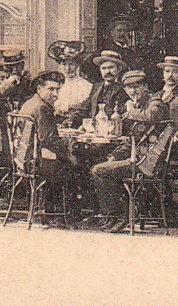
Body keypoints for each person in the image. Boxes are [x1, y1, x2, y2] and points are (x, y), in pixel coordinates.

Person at [89, 69, 168, 231]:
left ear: (146, 86)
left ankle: (123, 214)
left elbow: (153, 115)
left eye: (137, 87)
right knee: (102, 165)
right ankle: (112, 215)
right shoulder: (137, 106)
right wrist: (114, 155)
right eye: (129, 88)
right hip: (137, 158)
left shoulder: (155, 101)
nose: (133, 91)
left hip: (148, 162)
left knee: (100, 171)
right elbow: (131, 141)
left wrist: (131, 111)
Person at [48, 41, 96, 119]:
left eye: (71, 64)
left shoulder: (86, 86)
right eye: (64, 64)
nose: (67, 68)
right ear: (59, 65)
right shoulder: (54, 85)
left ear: (77, 64)